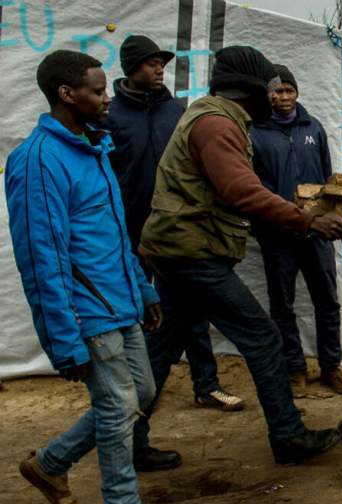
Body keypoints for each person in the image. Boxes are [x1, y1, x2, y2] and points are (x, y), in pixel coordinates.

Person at [135, 46, 342, 465]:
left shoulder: (214, 117)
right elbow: (240, 190)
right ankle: (288, 436)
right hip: (193, 253)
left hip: (179, 249)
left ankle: (129, 439)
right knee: (263, 336)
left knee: (159, 350)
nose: (273, 98)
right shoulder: (217, 124)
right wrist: (306, 221)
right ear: (251, 89)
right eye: (268, 89)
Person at [6, 50, 178, 504]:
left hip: (119, 298)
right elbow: (43, 258)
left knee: (140, 392)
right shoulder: (38, 160)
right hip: (86, 311)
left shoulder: (91, 146)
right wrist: (64, 338)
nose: (107, 98)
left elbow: (112, 232)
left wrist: (142, 293)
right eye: (98, 91)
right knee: (119, 405)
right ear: (67, 94)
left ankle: (49, 463)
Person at [104, 34, 244, 420]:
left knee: (190, 307)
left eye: (161, 63)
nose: (159, 69)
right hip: (132, 230)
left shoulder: (178, 111)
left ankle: (207, 384)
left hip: (178, 228)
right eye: (151, 63)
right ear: (131, 68)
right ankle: (138, 390)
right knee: (137, 309)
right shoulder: (111, 117)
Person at [250, 64, 342, 397]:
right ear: (268, 94)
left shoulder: (314, 128)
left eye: (288, 90)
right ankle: (295, 369)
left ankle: (331, 367)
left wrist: (326, 217)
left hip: (316, 231)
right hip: (277, 233)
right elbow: (252, 186)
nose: (283, 97)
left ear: (297, 93)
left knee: (327, 300)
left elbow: (326, 177)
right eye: (277, 91)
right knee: (282, 305)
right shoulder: (256, 132)